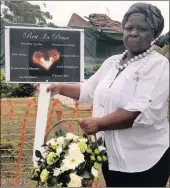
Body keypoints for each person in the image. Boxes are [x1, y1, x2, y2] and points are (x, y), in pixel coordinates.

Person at [36, 2, 169, 187]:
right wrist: (59, 88)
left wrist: (99, 123)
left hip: (145, 158)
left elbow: (140, 110)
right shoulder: (112, 63)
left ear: (154, 33)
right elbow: (88, 90)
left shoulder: (158, 65)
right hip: (111, 155)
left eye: (142, 28)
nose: (133, 33)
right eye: (129, 27)